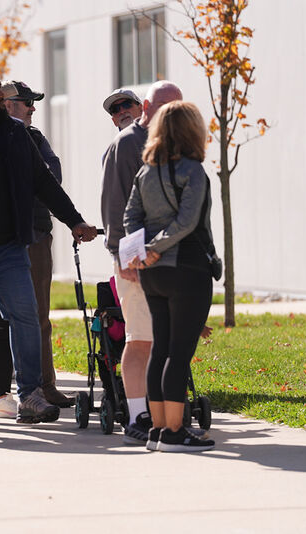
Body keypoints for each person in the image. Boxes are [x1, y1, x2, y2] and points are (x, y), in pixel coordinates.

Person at [0, 63, 97, 430]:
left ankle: (30, 395)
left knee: (27, 318)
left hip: (12, 246)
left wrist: (74, 220)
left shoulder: (14, 132)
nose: (1, 93)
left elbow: (44, 181)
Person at [123, 101, 216, 452]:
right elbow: (189, 221)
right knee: (179, 353)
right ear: (193, 131)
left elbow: (130, 216)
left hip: (153, 274)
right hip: (187, 267)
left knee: (160, 348)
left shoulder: (146, 171)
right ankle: (175, 431)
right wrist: (158, 247)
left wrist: (141, 252)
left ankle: (158, 430)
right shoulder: (193, 170)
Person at [0, 79, 72, 416]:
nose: (33, 108)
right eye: (27, 102)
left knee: (37, 316)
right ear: (6, 105)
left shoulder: (34, 138)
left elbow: (52, 175)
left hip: (34, 234)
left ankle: (43, 387)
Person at [100, 80, 182, 444]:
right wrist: (124, 256)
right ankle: (138, 415)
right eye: (165, 106)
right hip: (138, 260)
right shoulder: (128, 143)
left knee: (167, 340)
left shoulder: (177, 142)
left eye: (177, 106)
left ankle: (168, 416)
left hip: (173, 259)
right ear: (147, 107)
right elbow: (115, 207)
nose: (173, 113)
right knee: (141, 340)